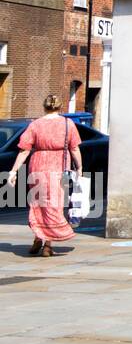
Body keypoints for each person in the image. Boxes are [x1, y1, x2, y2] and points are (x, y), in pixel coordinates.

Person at [3, 94, 82, 257]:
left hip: (38, 165)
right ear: (60, 107)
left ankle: (38, 237)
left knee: (38, 204)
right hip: (58, 165)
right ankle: (47, 244)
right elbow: (74, 148)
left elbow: (24, 149)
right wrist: (79, 167)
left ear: (44, 106)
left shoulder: (35, 125)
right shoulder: (68, 124)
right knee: (54, 204)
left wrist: (13, 171)